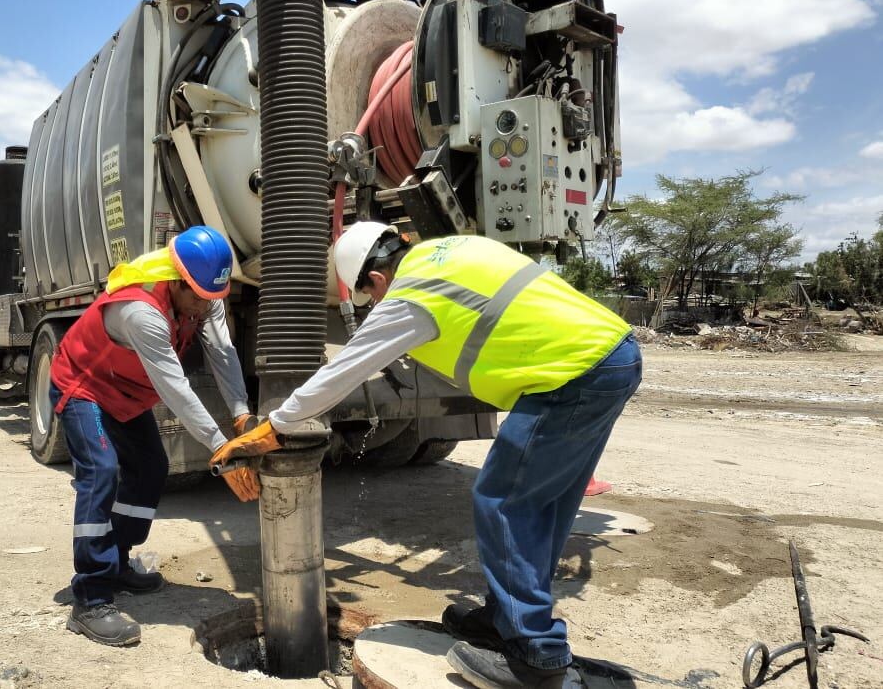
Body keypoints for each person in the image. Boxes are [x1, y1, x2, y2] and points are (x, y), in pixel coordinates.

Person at [210, 222, 642, 689]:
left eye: (369, 301)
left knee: (504, 502)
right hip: (611, 356)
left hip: (570, 376)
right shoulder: (447, 251)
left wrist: (276, 426)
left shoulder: (410, 294)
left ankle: (534, 656)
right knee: (548, 503)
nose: (374, 308)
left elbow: (344, 373)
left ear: (376, 280)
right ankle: (505, 618)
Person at [49, 225, 260, 648]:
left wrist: (241, 417)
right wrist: (220, 448)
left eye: (213, 298)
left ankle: (117, 561)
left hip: (126, 392)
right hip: (84, 386)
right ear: (178, 281)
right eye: (198, 298)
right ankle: (90, 597)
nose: (205, 308)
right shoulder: (141, 310)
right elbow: (174, 388)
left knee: (150, 468)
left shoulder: (206, 296)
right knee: (102, 472)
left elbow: (222, 352)